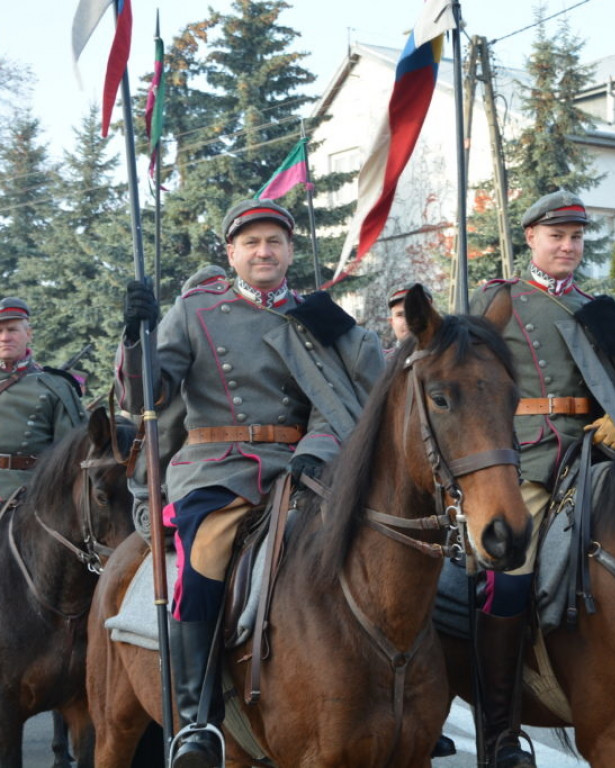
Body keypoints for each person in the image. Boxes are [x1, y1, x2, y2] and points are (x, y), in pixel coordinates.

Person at [116, 199, 385, 768]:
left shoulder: (316, 316)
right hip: (217, 466)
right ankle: (197, 722)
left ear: (290, 251)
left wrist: (315, 451)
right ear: (232, 253)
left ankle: (395, 696)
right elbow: (149, 396)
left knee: (380, 548)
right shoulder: (196, 310)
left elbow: (338, 397)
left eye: (275, 242)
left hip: (304, 465)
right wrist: (136, 337)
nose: (265, 252)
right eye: (253, 243)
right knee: (207, 553)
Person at [470, 189, 615, 768]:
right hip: (525, 460)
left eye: (576, 237)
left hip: (594, 456)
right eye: (556, 235)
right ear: (530, 238)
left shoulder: (595, 307)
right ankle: (502, 729)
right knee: (511, 571)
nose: (568, 246)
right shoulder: (499, 299)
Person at [0, 297, 86, 505]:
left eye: (12, 330)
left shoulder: (55, 387)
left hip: (28, 495)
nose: (5, 338)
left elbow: (72, 455)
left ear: (28, 334)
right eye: (0, 331)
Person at [386, 281, 434, 351]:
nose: (408, 320)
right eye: (400, 315)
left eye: (415, 313)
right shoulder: (380, 360)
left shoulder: (447, 359)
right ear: (392, 322)